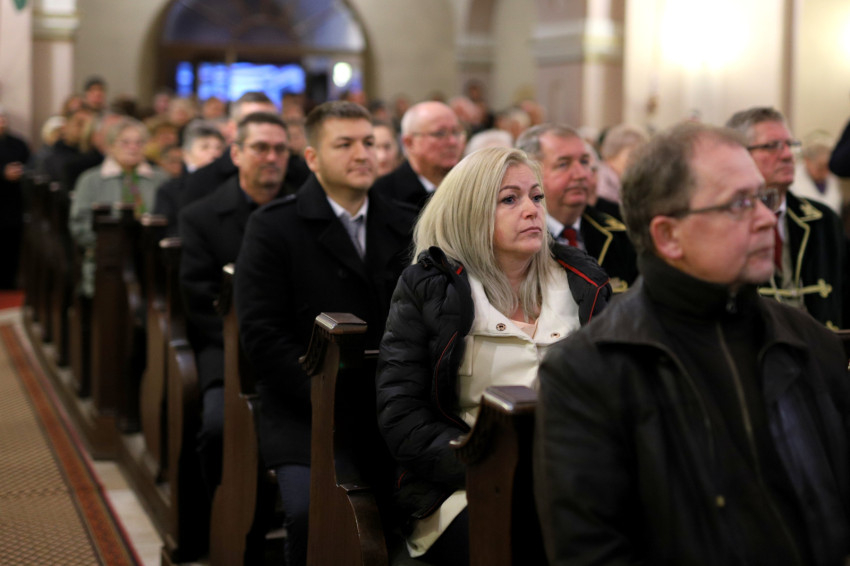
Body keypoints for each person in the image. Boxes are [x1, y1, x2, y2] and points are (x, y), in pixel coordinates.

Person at [534, 121, 850, 566]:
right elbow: (593, 552)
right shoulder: (590, 370)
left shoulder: (810, 342)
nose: (767, 219)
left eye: (763, 198)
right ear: (668, 235)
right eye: (739, 204)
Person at [376, 147, 612, 566]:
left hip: (575, 476)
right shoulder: (428, 287)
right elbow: (403, 418)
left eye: (536, 197)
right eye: (509, 199)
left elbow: (616, 394)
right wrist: (497, 468)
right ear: (470, 211)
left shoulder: (582, 281)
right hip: (464, 485)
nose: (532, 210)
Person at [235, 101, 417, 566]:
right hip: (308, 409)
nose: (363, 154)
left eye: (369, 143)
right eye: (345, 144)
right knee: (311, 514)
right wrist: (324, 392)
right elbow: (262, 335)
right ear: (313, 158)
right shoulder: (274, 226)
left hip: (394, 403)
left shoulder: (407, 222)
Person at [179, 112, 289, 499]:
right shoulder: (201, 216)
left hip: (294, 347)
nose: (271, 157)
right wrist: (252, 342)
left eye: (280, 149)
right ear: (236, 153)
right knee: (218, 426)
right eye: (260, 148)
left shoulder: (301, 209)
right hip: (226, 346)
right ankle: (222, 511)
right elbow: (199, 299)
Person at [727, 106, 847, 328]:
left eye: (790, 145)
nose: (787, 155)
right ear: (739, 155)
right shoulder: (726, 223)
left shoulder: (823, 220)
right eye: (772, 146)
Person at [517, 123, 638, 292]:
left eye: (584, 162)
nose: (581, 174)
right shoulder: (519, 238)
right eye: (563, 164)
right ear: (530, 173)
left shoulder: (617, 234)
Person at [69, 116, 169, 297]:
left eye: (139, 142)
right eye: (125, 142)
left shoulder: (160, 178)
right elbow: (79, 224)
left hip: (152, 257)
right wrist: (107, 244)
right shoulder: (91, 179)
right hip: (107, 258)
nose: (133, 147)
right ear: (110, 146)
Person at [372, 101, 465, 210]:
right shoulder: (383, 195)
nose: (453, 142)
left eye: (456, 132)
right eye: (440, 133)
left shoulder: (468, 186)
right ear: (409, 142)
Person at [153, 121, 225, 233]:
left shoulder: (230, 186)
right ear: (186, 154)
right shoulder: (168, 191)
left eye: (218, 148)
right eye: (205, 147)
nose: (214, 153)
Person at [0, 106, 31, 289]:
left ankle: (9, 281)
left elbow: (29, 164)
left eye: (3, 118)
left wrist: (20, 172)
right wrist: (2, 173)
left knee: (11, 245)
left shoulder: (18, 143)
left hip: (14, 203)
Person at [595, 123, 649, 218]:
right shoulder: (599, 184)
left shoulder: (634, 183)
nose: (638, 161)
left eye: (642, 155)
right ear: (611, 154)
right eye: (632, 155)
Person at [790, 134, 842, 215]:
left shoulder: (833, 178)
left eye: (828, 168)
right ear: (807, 161)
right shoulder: (793, 180)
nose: (826, 173)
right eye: (820, 168)